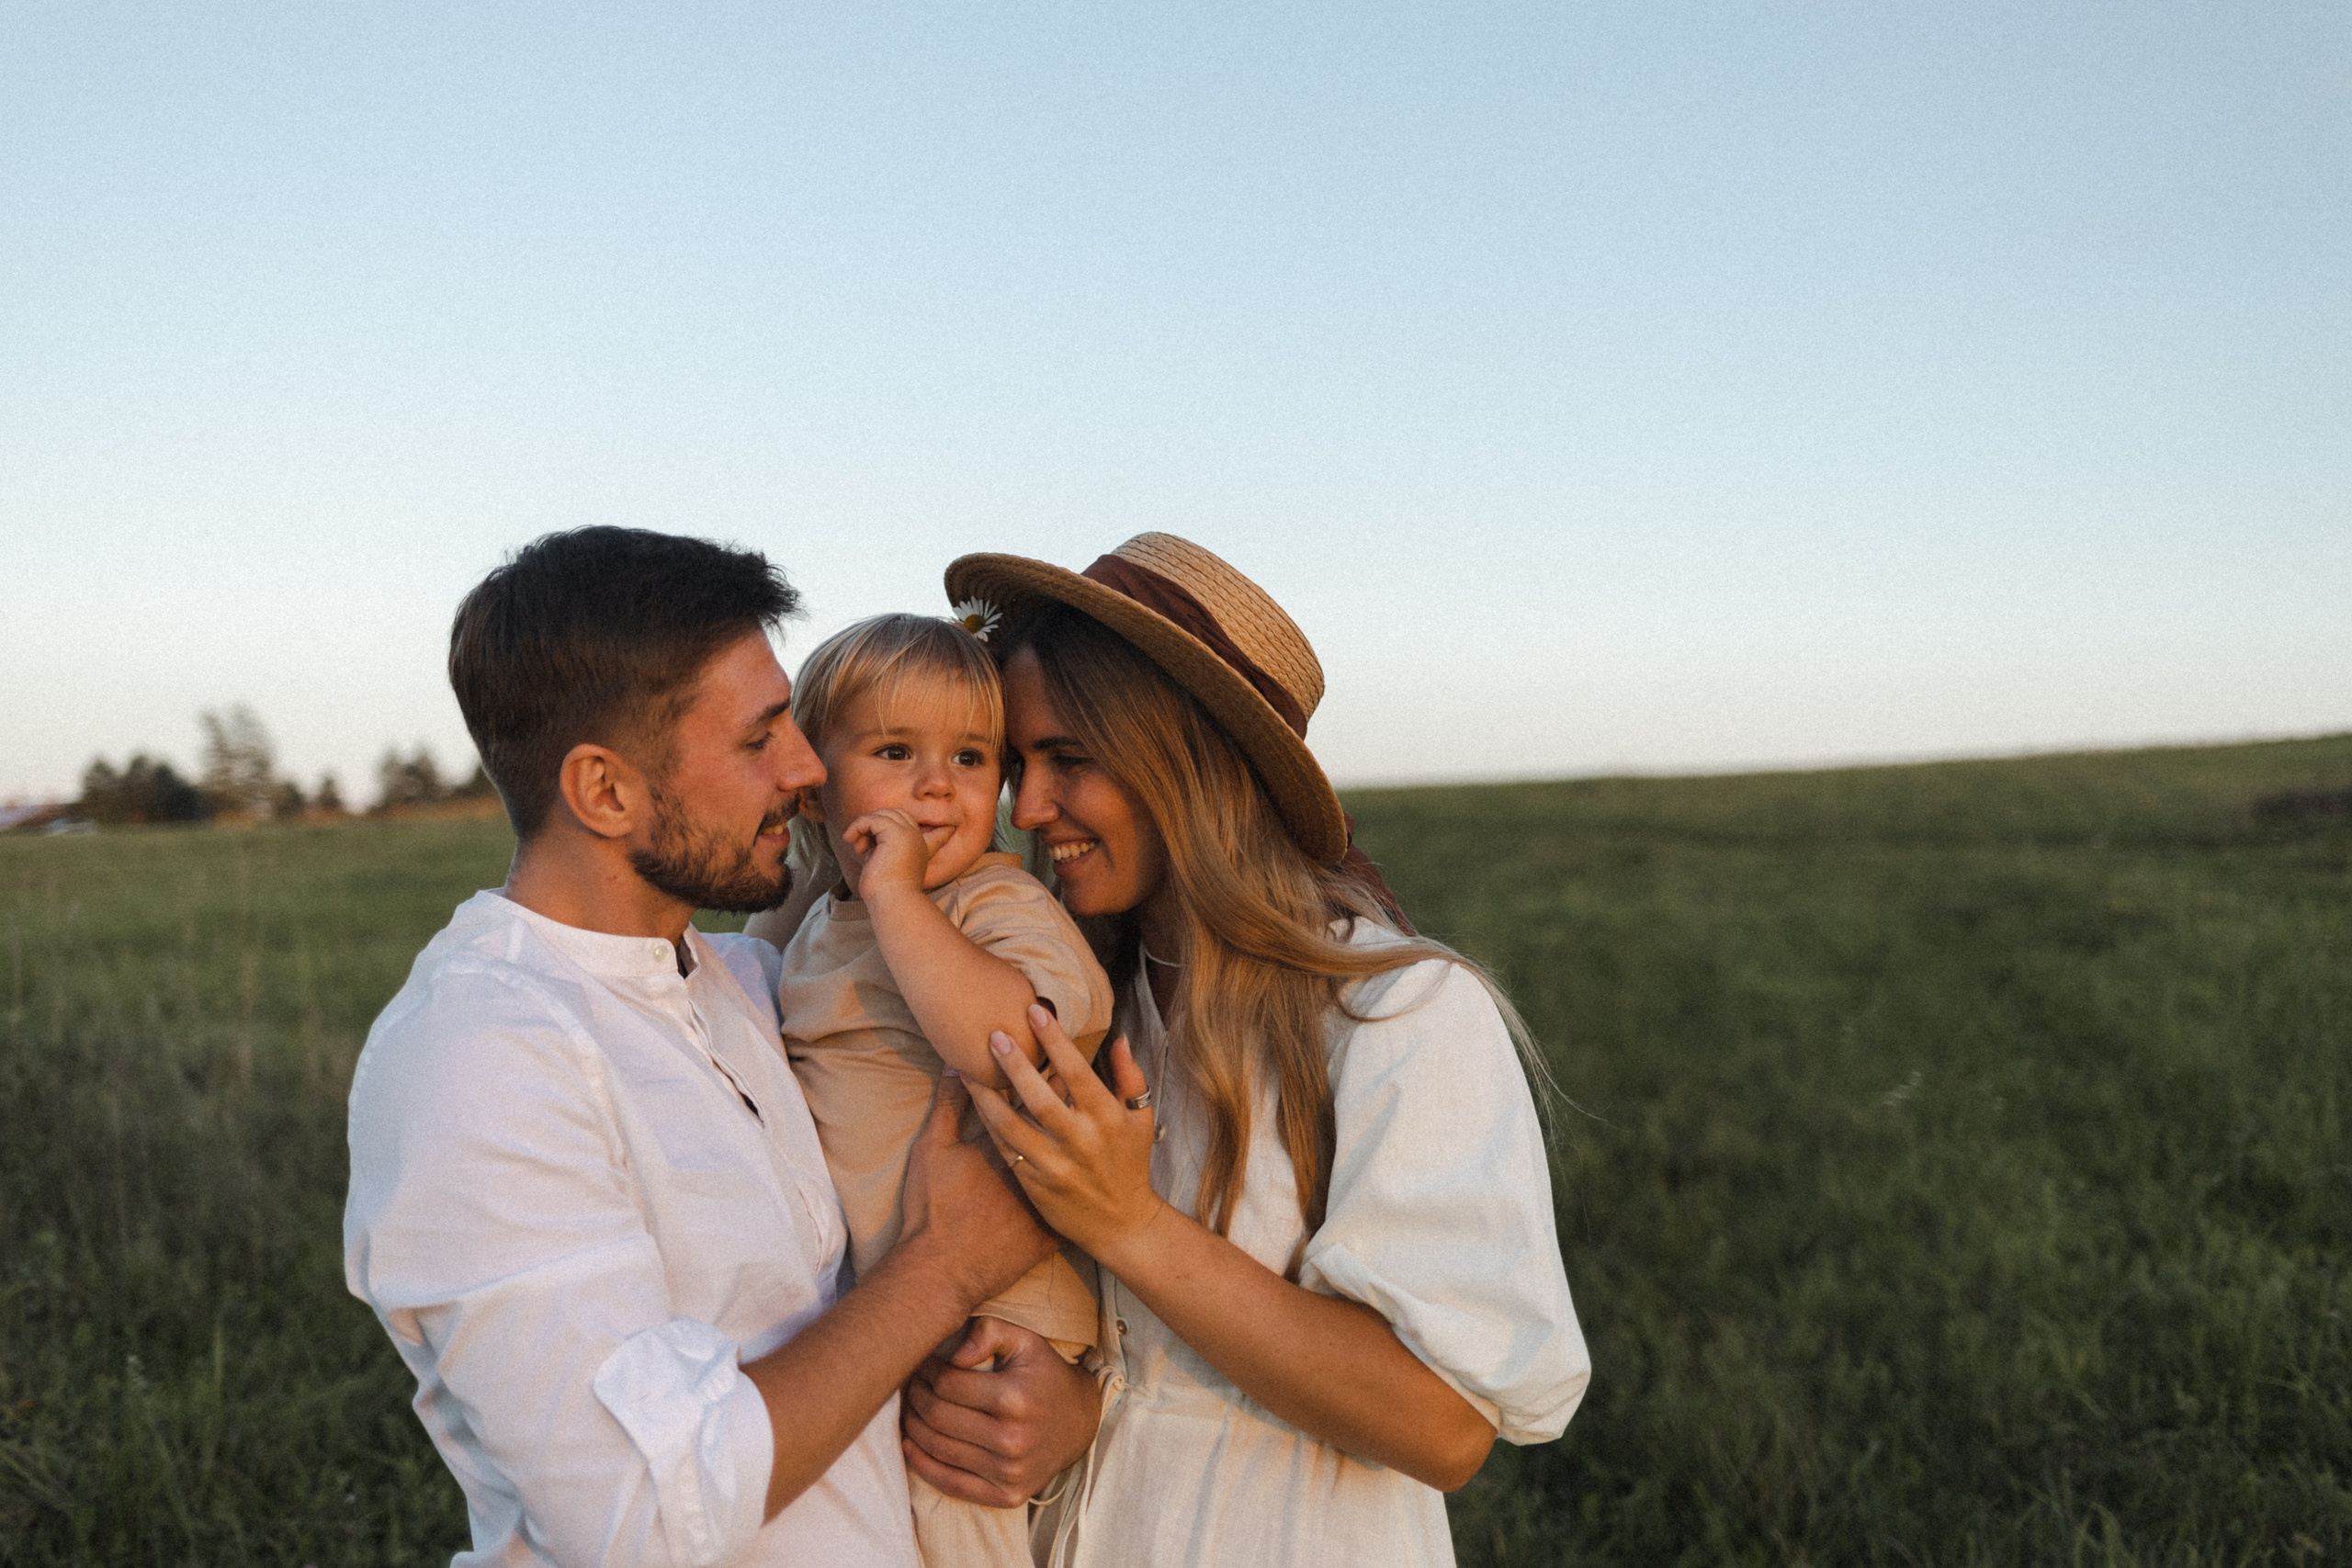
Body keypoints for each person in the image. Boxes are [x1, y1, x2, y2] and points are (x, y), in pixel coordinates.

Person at [343, 527, 1100, 1567]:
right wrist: (947, 1270)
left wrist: (1057, 1404)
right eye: (761, 741)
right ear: (604, 791)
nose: (804, 772)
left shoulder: (748, 984)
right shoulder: (483, 1056)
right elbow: (643, 1520)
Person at [916, 532, 1591, 1567]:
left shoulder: (1398, 1013)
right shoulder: (1079, 1007)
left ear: (1188, 762)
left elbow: (1444, 1426)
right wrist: (1067, 1411)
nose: (1027, 809)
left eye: (1069, 760)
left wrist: (1128, 1222)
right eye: (1016, 764)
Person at [763, 612, 1114, 1566]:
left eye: (970, 758)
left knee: (962, 1531)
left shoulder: (990, 904)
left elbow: (1008, 1039)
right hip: (892, 1307)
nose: (935, 786)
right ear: (809, 785)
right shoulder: (820, 928)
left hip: (997, 1320)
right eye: (893, 751)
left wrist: (899, 899)